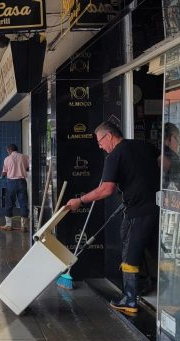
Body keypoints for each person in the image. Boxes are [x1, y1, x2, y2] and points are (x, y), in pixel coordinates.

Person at [66, 121, 160, 314]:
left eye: (100, 141)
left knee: (130, 255)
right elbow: (165, 164)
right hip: (157, 207)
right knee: (157, 252)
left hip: (137, 212)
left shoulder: (115, 155)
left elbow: (106, 189)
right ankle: (161, 291)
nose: (100, 146)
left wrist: (80, 201)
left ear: (108, 136)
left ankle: (130, 299)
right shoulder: (144, 146)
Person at [1, 144, 29, 231]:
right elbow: (27, 168)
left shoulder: (7, 159)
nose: (7, 152)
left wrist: (3, 175)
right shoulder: (24, 157)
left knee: (9, 203)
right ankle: (24, 226)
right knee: (23, 203)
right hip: (22, 182)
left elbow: (4, 172)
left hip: (11, 183)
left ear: (9, 150)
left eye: (7, 151)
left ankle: (8, 225)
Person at [160, 122, 180, 192]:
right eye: (177, 139)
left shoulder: (155, 152)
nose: (178, 144)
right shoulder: (173, 158)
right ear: (169, 139)